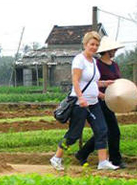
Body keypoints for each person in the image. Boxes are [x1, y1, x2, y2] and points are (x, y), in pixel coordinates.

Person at [50, 31, 118, 171]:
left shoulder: (93, 61)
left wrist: (104, 85)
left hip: (94, 103)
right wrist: (80, 98)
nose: (94, 47)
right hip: (80, 104)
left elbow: (93, 82)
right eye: (91, 44)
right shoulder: (79, 60)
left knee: (102, 130)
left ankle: (103, 161)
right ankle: (56, 158)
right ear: (85, 44)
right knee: (73, 135)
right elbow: (75, 80)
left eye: (96, 45)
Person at [75, 37, 126, 168]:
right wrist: (102, 94)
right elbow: (91, 82)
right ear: (107, 51)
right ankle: (115, 159)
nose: (114, 51)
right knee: (112, 131)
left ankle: (82, 153)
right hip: (99, 100)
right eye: (113, 49)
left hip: (111, 101)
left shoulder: (114, 65)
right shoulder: (97, 64)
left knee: (104, 130)